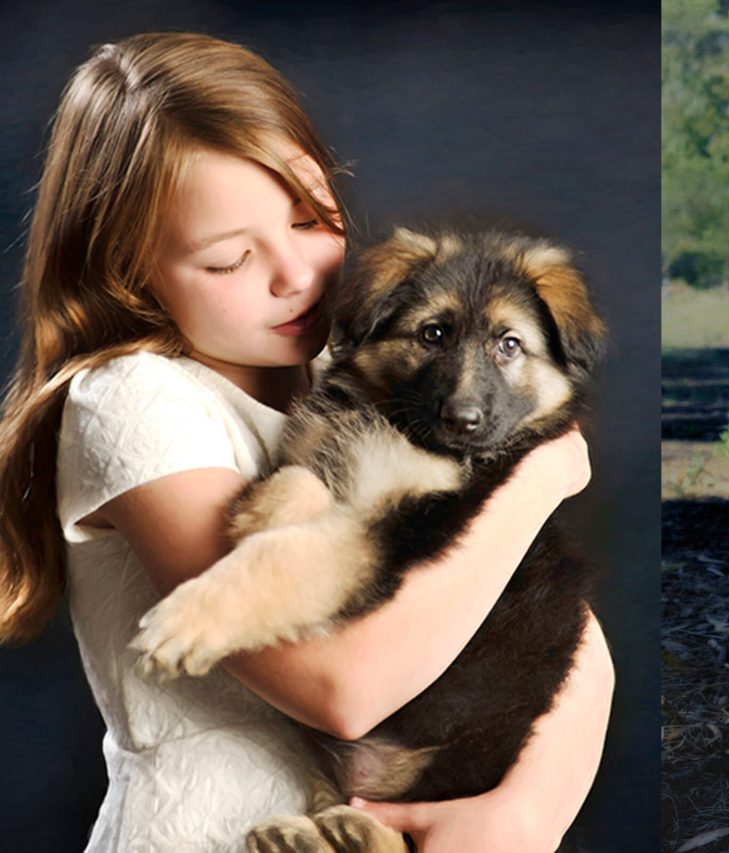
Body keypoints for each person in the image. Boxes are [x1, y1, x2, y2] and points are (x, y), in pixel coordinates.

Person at [0, 33, 610, 851]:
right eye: (229, 260)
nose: (297, 273)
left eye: (310, 216)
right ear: (127, 272)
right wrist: (539, 476)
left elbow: (564, 630)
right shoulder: (132, 401)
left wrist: (522, 812)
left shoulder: (362, 366)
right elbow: (342, 689)